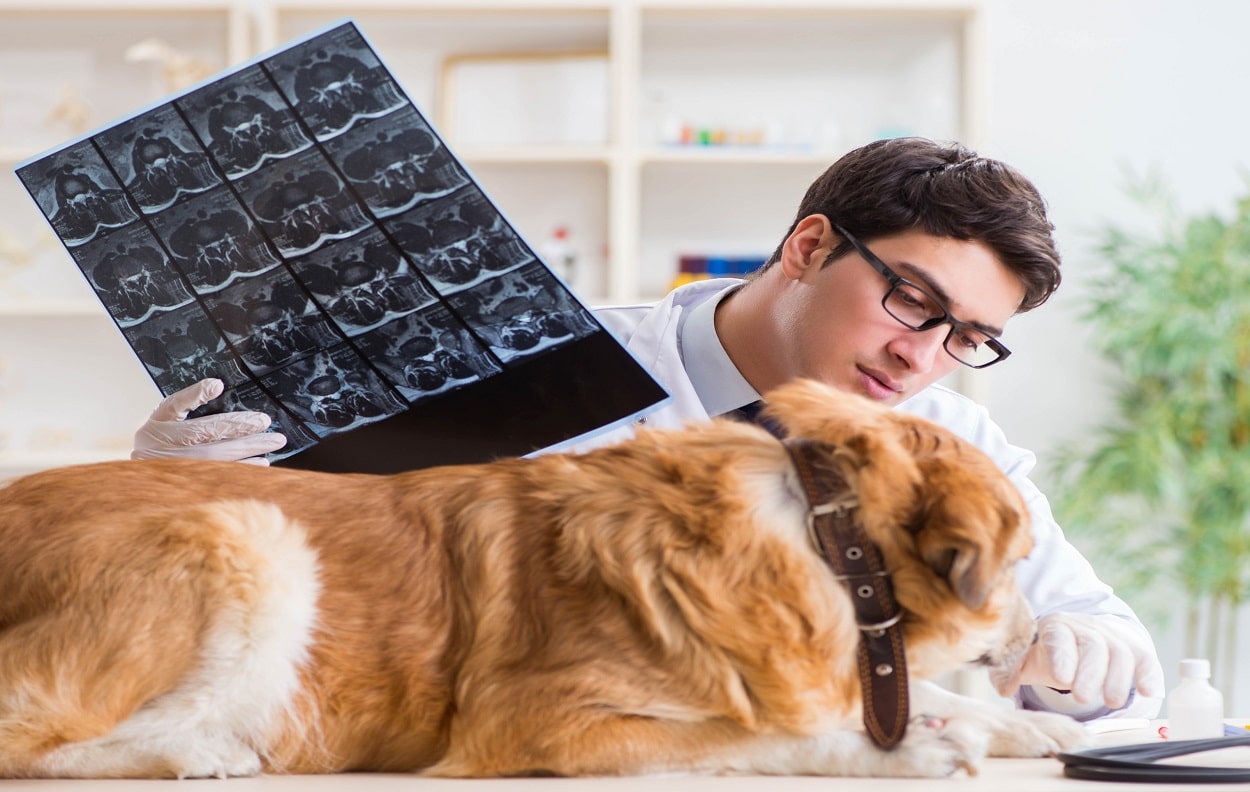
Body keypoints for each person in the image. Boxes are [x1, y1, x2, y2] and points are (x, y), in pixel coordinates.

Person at [130, 137, 1164, 722]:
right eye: (908, 301)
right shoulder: (538, 369)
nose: (921, 358)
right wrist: (170, 486)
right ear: (807, 246)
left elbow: (1116, 654)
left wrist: (1085, 652)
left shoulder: (949, 443)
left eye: (966, 337)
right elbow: (325, 555)